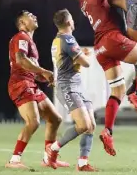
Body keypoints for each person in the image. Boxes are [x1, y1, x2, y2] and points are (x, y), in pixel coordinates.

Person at [64, 0, 137, 156]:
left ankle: (108, 131)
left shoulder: (83, 3)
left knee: (117, 92)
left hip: (100, 48)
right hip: (112, 38)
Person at [6, 10, 69, 169]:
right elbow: (21, 60)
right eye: (29, 15)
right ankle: (14, 160)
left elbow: (29, 68)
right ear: (22, 23)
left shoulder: (29, 40)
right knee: (33, 122)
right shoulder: (21, 37)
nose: (34, 16)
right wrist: (43, 71)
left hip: (30, 83)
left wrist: (43, 77)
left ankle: (48, 159)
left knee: (55, 119)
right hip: (20, 84)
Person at [45, 9, 98, 171]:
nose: (74, 22)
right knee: (83, 125)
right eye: (72, 19)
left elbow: (70, 58)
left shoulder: (57, 40)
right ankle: (53, 149)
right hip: (68, 87)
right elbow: (86, 63)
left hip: (76, 85)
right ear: (68, 22)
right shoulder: (68, 39)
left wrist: (81, 54)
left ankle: (82, 163)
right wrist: (86, 56)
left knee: (91, 125)